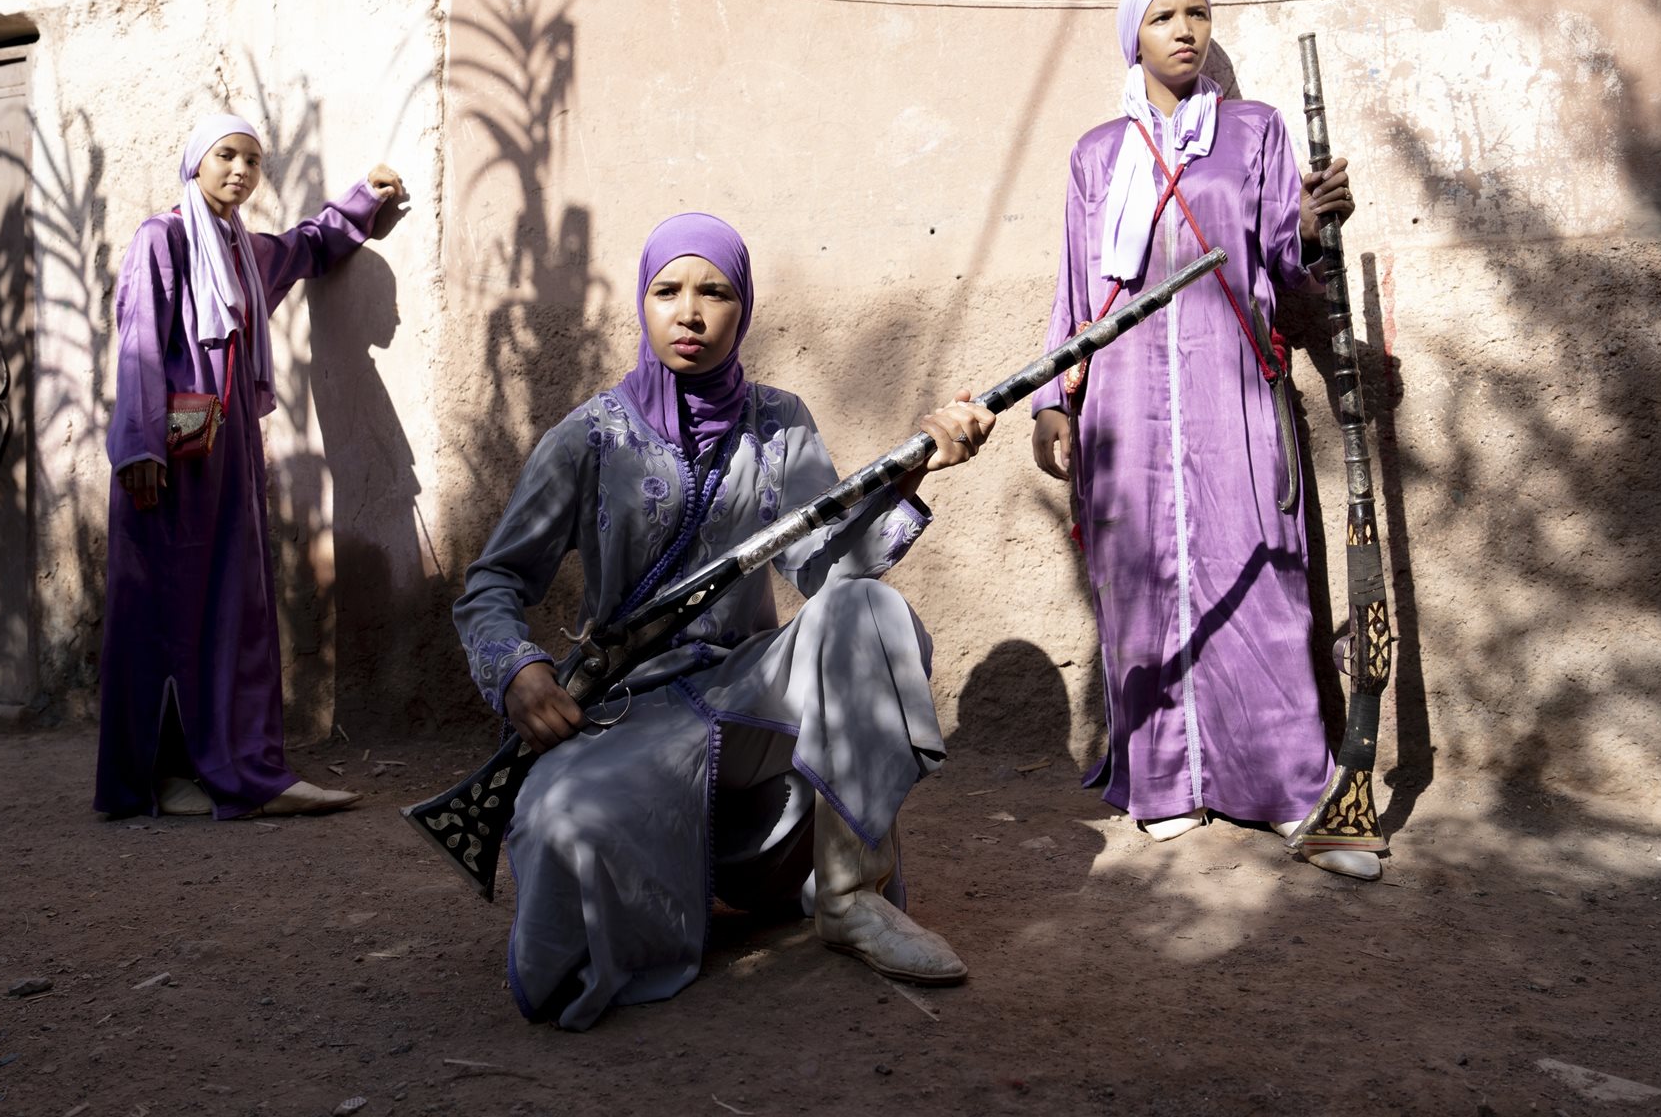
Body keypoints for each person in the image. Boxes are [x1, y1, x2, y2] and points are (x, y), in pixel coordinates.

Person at [453, 212, 995, 1029]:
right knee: (563, 831)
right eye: (668, 291)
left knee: (867, 610)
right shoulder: (590, 437)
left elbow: (828, 569)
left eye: (715, 292)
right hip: (631, 713)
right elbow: (492, 581)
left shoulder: (780, 425)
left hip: (751, 693)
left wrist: (915, 479)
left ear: (743, 308)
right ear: (643, 303)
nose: (691, 313)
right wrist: (518, 672)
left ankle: (851, 898)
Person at [1028, 0, 1380, 880]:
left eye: (1197, 16)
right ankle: (1167, 780)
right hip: (1123, 403)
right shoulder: (1098, 155)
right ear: (1131, 38)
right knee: (1141, 589)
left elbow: (1281, 267)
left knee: (1261, 577)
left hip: (1234, 389)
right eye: (1163, 17)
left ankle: (1296, 788)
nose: (1185, 30)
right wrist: (1053, 402)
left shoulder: (1254, 130)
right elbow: (1076, 287)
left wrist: (1306, 219)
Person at [96, 113, 404, 821]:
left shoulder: (240, 250)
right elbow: (141, 343)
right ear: (195, 163)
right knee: (164, 606)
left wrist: (367, 197)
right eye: (226, 156)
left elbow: (307, 247)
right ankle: (155, 776)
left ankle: (227, 765)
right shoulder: (163, 239)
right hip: (170, 457)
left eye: (252, 161)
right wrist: (140, 447)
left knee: (229, 604)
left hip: (228, 453)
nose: (239, 170)